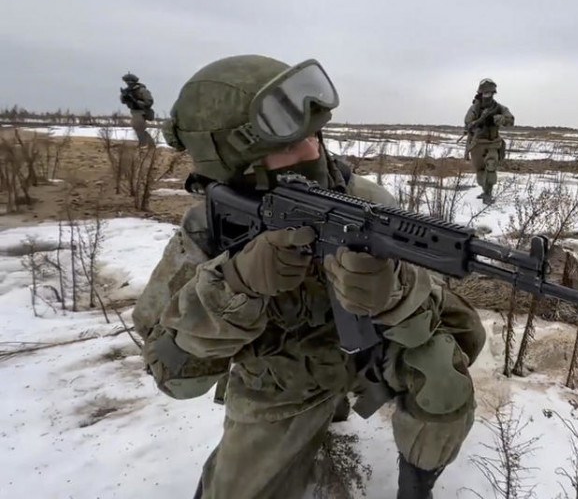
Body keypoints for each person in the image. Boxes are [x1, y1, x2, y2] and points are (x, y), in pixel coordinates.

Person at [131, 54, 486, 499]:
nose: (313, 153)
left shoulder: (363, 200)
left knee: (441, 371)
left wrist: (393, 291)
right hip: (281, 379)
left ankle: (418, 485)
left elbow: (445, 315)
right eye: (286, 147)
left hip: (366, 354)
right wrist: (235, 284)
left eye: (314, 136)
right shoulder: (208, 229)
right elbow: (175, 374)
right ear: (231, 165)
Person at [463, 78, 514, 205]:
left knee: (491, 167)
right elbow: (467, 123)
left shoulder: (499, 108)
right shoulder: (475, 108)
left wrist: (500, 119)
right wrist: (478, 122)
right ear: (480, 94)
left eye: (490, 93)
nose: (488, 96)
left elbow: (511, 120)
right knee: (480, 172)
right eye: (485, 93)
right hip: (477, 144)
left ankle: (488, 194)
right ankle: (485, 189)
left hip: (493, 143)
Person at [120, 72, 156, 147]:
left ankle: (145, 144)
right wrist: (124, 96)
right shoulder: (127, 91)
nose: (128, 83)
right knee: (137, 127)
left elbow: (149, 102)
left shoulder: (142, 90)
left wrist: (135, 100)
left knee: (137, 125)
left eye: (129, 81)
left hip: (142, 111)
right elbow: (123, 102)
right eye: (126, 82)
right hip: (134, 111)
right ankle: (148, 144)